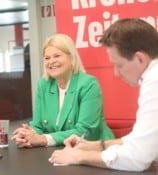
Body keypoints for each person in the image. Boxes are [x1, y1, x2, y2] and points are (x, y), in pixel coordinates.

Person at [48, 18, 158, 172]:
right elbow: (141, 140)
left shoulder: (154, 81)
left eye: (118, 65)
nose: (116, 73)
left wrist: (78, 156)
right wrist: (97, 145)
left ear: (140, 58)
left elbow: (137, 157)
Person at [11, 34, 114, 148]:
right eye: (47, 58)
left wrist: (44, 139)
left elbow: (85, 131)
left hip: (95, 150)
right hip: (60, 151)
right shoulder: (43, 85)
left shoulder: (88, 84)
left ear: (72, 58)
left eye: (57, 56)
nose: (51, 61)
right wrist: (27, 134)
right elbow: (38, 126)